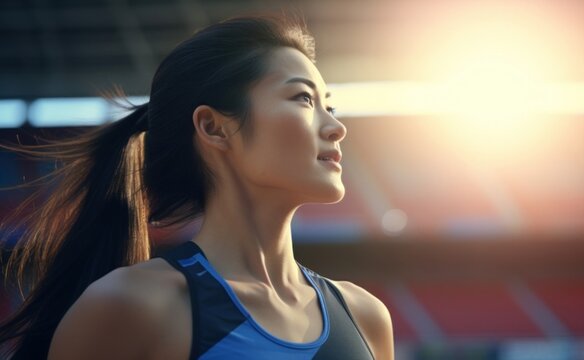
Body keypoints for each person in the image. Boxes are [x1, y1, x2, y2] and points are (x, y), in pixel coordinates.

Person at [0, 15, 394, 359]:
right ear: (213, 128)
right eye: (303, 98)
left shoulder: (365, 316)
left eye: (331, 106)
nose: (336, 127)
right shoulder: (132, 307)